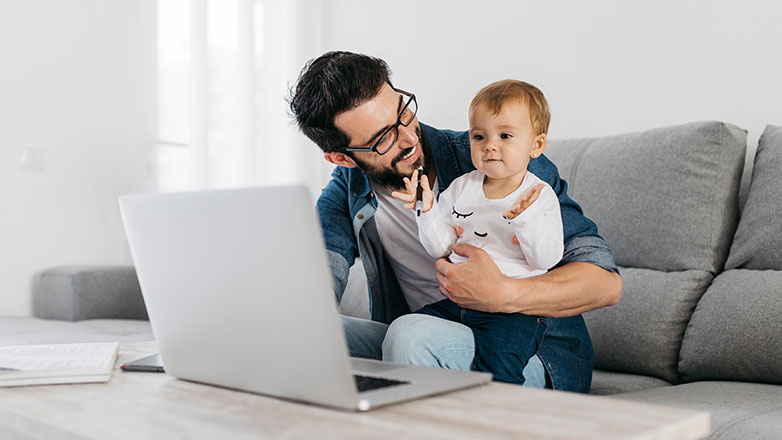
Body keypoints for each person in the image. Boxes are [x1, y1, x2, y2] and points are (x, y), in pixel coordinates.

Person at [288, 51, 622, 392]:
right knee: (302, 336)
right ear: (342, 158)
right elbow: (324, 263)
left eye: (403, 112)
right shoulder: (349, 188)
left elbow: (605, 283)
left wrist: (505, 293)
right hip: (431, 333)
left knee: (409, 334)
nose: (407, 138)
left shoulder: (495, 162)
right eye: (382, 138)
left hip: (530, 353)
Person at [389, 80, 563, 385]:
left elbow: (545, 259)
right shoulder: (461, 187)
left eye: (505, 136)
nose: (490, 145)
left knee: (498, 369)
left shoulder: (539, 193)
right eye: (479, 136)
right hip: (459, 303)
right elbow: (440, 247)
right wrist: (425, 210)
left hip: (513, 313)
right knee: (408, 329)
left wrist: (524, 219)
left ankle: (496, 420)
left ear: (536, 145)